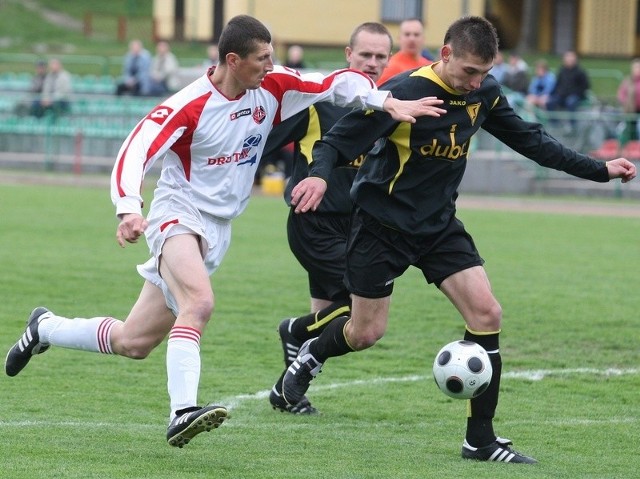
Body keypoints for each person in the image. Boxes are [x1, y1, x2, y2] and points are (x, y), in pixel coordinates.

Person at [4, 14, 444, 448]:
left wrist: (385, 101)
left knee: (133, 341)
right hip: (178, 214)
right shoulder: (189, 105)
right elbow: (136, 148)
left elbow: (333, 83)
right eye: (262, 59)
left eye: (272, 57)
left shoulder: (272, 87)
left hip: (218, 227)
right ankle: (181, 413)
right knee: (199, 303)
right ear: (233, 60)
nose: (271, 66)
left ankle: (45, 327)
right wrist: (128, 208)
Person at [284, 15, 636, 465]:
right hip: (380, 226)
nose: (476, 82)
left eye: (485, 73)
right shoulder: (405, 91)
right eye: (469, 71)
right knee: (366, 331)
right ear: (445, 54)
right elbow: (336, 141)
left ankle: (480, 441)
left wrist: (597, 169)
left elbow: (530, 141)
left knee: (487, 312)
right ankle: (313, 351)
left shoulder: (483, 93)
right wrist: (316, 177)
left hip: (437, 227)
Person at [262, 21, 395, 415]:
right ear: (348, 56)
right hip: (314, 222)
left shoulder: (389, 106)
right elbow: (262, 141)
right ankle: (294, 332)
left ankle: (291, 394)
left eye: (379, 57)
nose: (371, 63)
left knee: (329, 316)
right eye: (365, 55)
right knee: (358, 313)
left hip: (357, 226)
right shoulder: (317, 103)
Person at [376, 18, 431, 85]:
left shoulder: (429, 66)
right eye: (407, 34)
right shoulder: (389, 67)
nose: (412, 39)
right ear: (399, 38)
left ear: (423, 39)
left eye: (416, 34)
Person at [546, 50, 590, 130]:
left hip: (575, 95)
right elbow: (557, 84)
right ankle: (554, 123)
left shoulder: (580, 72)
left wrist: (576, 94)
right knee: (550, 102)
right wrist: (551, 94)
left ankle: (572, 126)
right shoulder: (562, 70)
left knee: (570, 102)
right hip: (562, 95)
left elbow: (585, 86)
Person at [617, 58, 640, 141]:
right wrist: (624, 102)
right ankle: (623, 149)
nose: (637, 70)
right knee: (624, 129)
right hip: (630, 111)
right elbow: (621, 94)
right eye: (636, 67)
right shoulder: (628, 81)